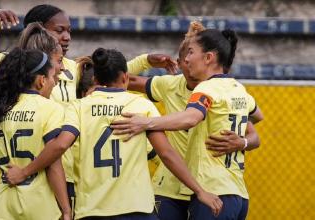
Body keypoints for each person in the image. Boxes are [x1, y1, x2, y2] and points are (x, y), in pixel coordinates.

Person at [0, 5, 178, 201]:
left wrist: (146, 61)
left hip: (69, 166)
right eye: (60, 30)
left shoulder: (73, 67)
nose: (67, 37)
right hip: (33, 166)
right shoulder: (18, 65)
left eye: (69, 31)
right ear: (39, 30)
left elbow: (108, 73)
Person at [4, 47, 223, 219]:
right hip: (135, 209)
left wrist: (25, 172)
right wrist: (199, 190)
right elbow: (166, 154)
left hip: (91, 210)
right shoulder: (139, 105)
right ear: (126, 77)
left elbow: (60, 146)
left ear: (95, 79)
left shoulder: (78, 107)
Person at [111, 29, 264, 219]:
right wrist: (145, 60)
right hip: (225, 190)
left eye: (191, 53)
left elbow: (191, 118)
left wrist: (146, 122)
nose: (185, 61)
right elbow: (258, 115)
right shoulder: (236, 88)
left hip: (211, 189)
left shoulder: (206, 89)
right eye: (185, 55)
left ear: (208, 57)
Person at [0, 48, 70, 220]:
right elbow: (53, 165)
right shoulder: (51, 109)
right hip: (39, 208)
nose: (54, 83)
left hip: (4, 208)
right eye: (52, 77)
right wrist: (66, 210)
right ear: (41, 81)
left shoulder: (0, 112)